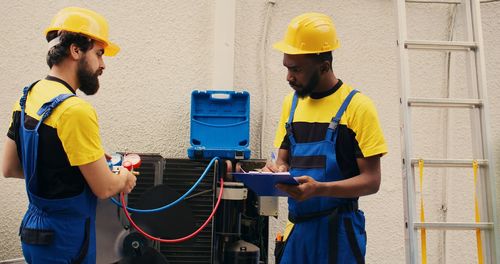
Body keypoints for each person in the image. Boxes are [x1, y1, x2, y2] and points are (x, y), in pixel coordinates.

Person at [1, 7, 136, 263]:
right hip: (68, 241)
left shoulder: (26, 97)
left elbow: (10, 167)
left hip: (33, 235)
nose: (103, 65)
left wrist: (81, 162)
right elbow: (105, 187)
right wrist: (124, 178)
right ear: (75, 50)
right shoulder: (75, 110)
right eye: (99, 54)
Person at [267, 13, 388, 264]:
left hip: (339, 234)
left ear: (324, 66)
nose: (289, 77)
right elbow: (283, 161)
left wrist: (320, 189)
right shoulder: (290, 105)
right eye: (287, 68)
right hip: (298, 233)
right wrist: (275, 172)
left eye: (296, 69)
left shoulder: (358, 107)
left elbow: (372, 180)